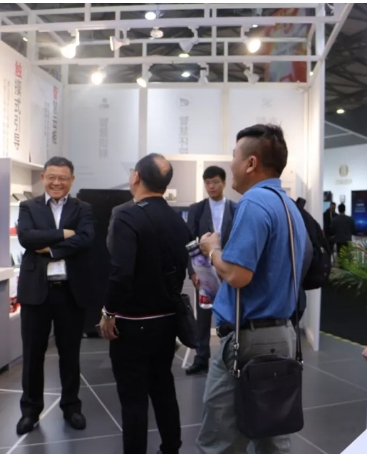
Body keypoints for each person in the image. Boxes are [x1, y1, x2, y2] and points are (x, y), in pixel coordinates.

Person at [196, 124, 307, 454]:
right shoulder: (288, 206)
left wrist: (212, 250)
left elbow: (237, 274)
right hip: (283, 335)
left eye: (234, 156)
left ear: (251, 163)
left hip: (248, 340)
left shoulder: (254, 203)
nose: (231, 164)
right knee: (272, 434)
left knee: (221, 440)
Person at [99, 153, 191, 454]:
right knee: (163, 388)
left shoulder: (128, 216)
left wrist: (108, 312)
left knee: (133, 399)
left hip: (132, 325)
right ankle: (171, 448)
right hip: (167, 323)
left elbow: (121, 273)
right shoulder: (178, 221)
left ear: (136, 177)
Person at [15, 157, 95, 435]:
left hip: (70, 291)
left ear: (72, 180)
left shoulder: (83, 208)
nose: (56, 183)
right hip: (36, 291)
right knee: (32, 354)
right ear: (43, 178)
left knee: (69, 354)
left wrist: (50, 248)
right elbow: (26, 238)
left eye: (62, 178)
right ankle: (30, 411)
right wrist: (64, 234)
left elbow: (86, 238)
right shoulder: (28, 206)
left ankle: (71, 407)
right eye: (51, 177)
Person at [185, 165, 237, 375]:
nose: (211, 186)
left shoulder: (235, 208)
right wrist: (192, 272)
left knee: (230, 313)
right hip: (204, 269)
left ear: (224, 183)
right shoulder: (197, 209)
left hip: (228, 267)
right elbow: (189, 242)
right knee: (204, 315)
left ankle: (231, 356)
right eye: (207, 183)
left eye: (215, 182)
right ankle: (201, 357)